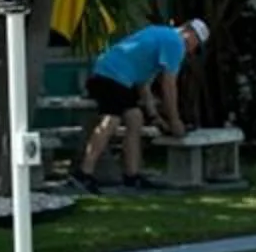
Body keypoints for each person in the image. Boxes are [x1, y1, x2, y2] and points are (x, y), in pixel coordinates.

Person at [73, 16, 210, 191]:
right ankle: (83, 174)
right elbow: (169, 85)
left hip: (115, 77)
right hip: (110, 76)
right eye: (196, 43)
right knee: (111, 120)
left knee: (135, 118)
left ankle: (132, 176)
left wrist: (155, 117)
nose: (192, 49)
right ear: (189, 33)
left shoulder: (161, 34)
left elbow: (144, 84)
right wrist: (175, 121)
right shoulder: (175, 43)